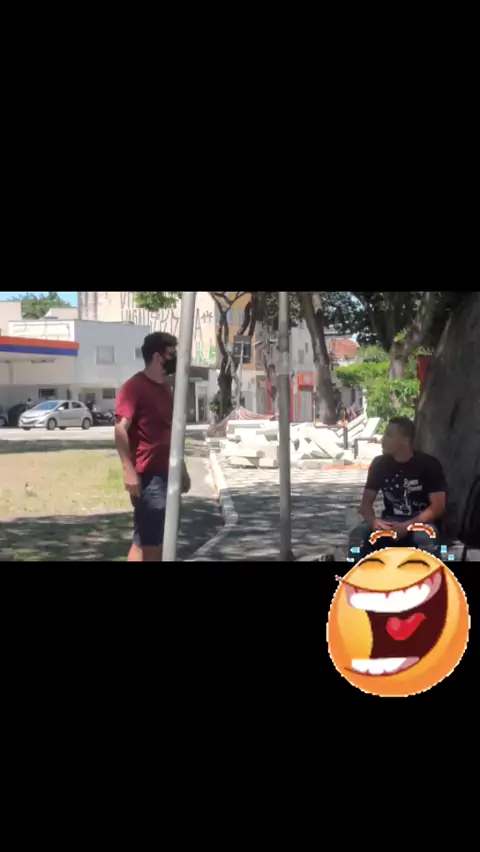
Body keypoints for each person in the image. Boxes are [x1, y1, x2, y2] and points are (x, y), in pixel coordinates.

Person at [114, 331, 191, 562]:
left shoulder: (166, 389)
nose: (175, 359)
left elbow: (170, 433)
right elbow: (120, 429)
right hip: (149, 478)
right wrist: (128, 469)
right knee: (152, 544)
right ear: (158, 357)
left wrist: (182, 469)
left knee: (148, 540)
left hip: (168, 475)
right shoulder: (134, 387)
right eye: (172, 354)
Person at [350, 416, 447, 558]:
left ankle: (429, 572)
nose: (383, 439)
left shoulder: (428, 465)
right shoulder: (379, 464)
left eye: (389, 435)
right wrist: (374, 522)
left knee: (425, 538)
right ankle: (357, 572)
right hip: (390, 522)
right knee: (358, 535)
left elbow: (438, 506)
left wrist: (409, 525)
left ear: (405, 440)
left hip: (420, 523)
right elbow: (366, 503)